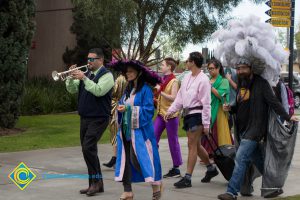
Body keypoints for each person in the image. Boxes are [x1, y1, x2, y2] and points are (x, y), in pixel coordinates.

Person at [217, 59, 299, 200]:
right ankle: (273, 187)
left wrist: (287, 116)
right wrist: (231, 109)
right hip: (243, 129)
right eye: (238, 68)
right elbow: (240, 106)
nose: (240, 71)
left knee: (240, 158)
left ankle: (231, 192)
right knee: (260, 161)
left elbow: (274, 103)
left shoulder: (261, 83)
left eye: (243, 68)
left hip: (256, 129)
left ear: (251, 68)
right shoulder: (242, 84)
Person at [109, 60, 163, 200]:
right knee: (126, 160)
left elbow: (149, 111)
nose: (128, 74)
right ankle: (128, 191)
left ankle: (156, 185)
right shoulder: (128, 89)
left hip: (141, 133)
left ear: (139, 72)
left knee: (140, 159)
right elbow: (121, 104)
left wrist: (128, 109)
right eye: (127, 72)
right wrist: (121, 109)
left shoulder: (145, 90)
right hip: (126, 131)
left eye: (131, 71)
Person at [165, 52, 218, 188]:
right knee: (197, 145)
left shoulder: (203, 80)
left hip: (198, 115)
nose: (186, 62)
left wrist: (206, 123)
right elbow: (180, 98)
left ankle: (187, 178)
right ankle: (211, 169)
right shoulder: (187, 77)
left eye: (188, 60)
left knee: (191, 145)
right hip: (188, 115)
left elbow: (206, 103)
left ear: (193, 62)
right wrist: (170, 110)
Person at [65, 48, 114, 196]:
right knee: (88, 150)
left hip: (99, 118)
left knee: (88, 147)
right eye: (88, 59)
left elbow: (98, 90)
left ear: (101, 60)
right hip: (85, 118)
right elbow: (72, 90)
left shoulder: (107, 75)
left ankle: (96, 183)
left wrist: (84, 79)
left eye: (92, 59)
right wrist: (69, 77)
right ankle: (95, 183)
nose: (89, 62)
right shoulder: (85, 74)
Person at [154, 57, 183, 178]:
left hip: (171, 115)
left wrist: (160, 92)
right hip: (161, 114)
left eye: (162, 64)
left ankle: (176, 169)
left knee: (173, 141)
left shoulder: (174, 81)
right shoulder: (162, 79)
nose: (161, 66)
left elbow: (174, 97)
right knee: (152, 137)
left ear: (169, 67)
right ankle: (152, 163)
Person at [202, 58, 232, 156]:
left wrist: (210, 87)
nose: (210, 71)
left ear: (218, 68)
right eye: (208, 69)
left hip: (218, 110)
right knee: (207, 131)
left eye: (212, 68)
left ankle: (218, 154)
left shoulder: (224, 81)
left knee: (217, 132)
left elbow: (221, 95)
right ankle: (208, 153)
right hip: (207, 109)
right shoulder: (208, 80)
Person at [103, 74, 127, 168]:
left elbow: (113, 93)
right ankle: (115, 157)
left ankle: (117, 158)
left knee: (116, 133)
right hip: (119, 106)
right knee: (116, 133)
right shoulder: (126, 78)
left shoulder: (121, 79)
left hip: (118, 108)